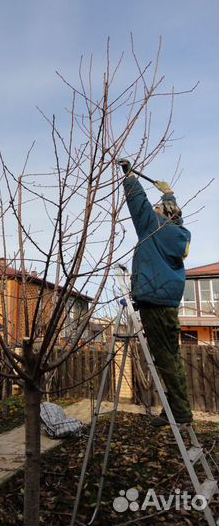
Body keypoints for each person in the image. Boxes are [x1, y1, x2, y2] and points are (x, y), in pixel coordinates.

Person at [119, 159, 193, 427]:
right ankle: (176, 411)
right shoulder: (179, 233)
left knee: (165, 360)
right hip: (168, 304)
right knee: (171, 358)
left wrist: (128, 176)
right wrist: (168, 195)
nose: (152, 209)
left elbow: (137, 203)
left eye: (157, 208)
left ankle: (181, 415)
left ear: (163, 215)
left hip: (155, 304)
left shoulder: (154, 228)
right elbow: (167, 210)